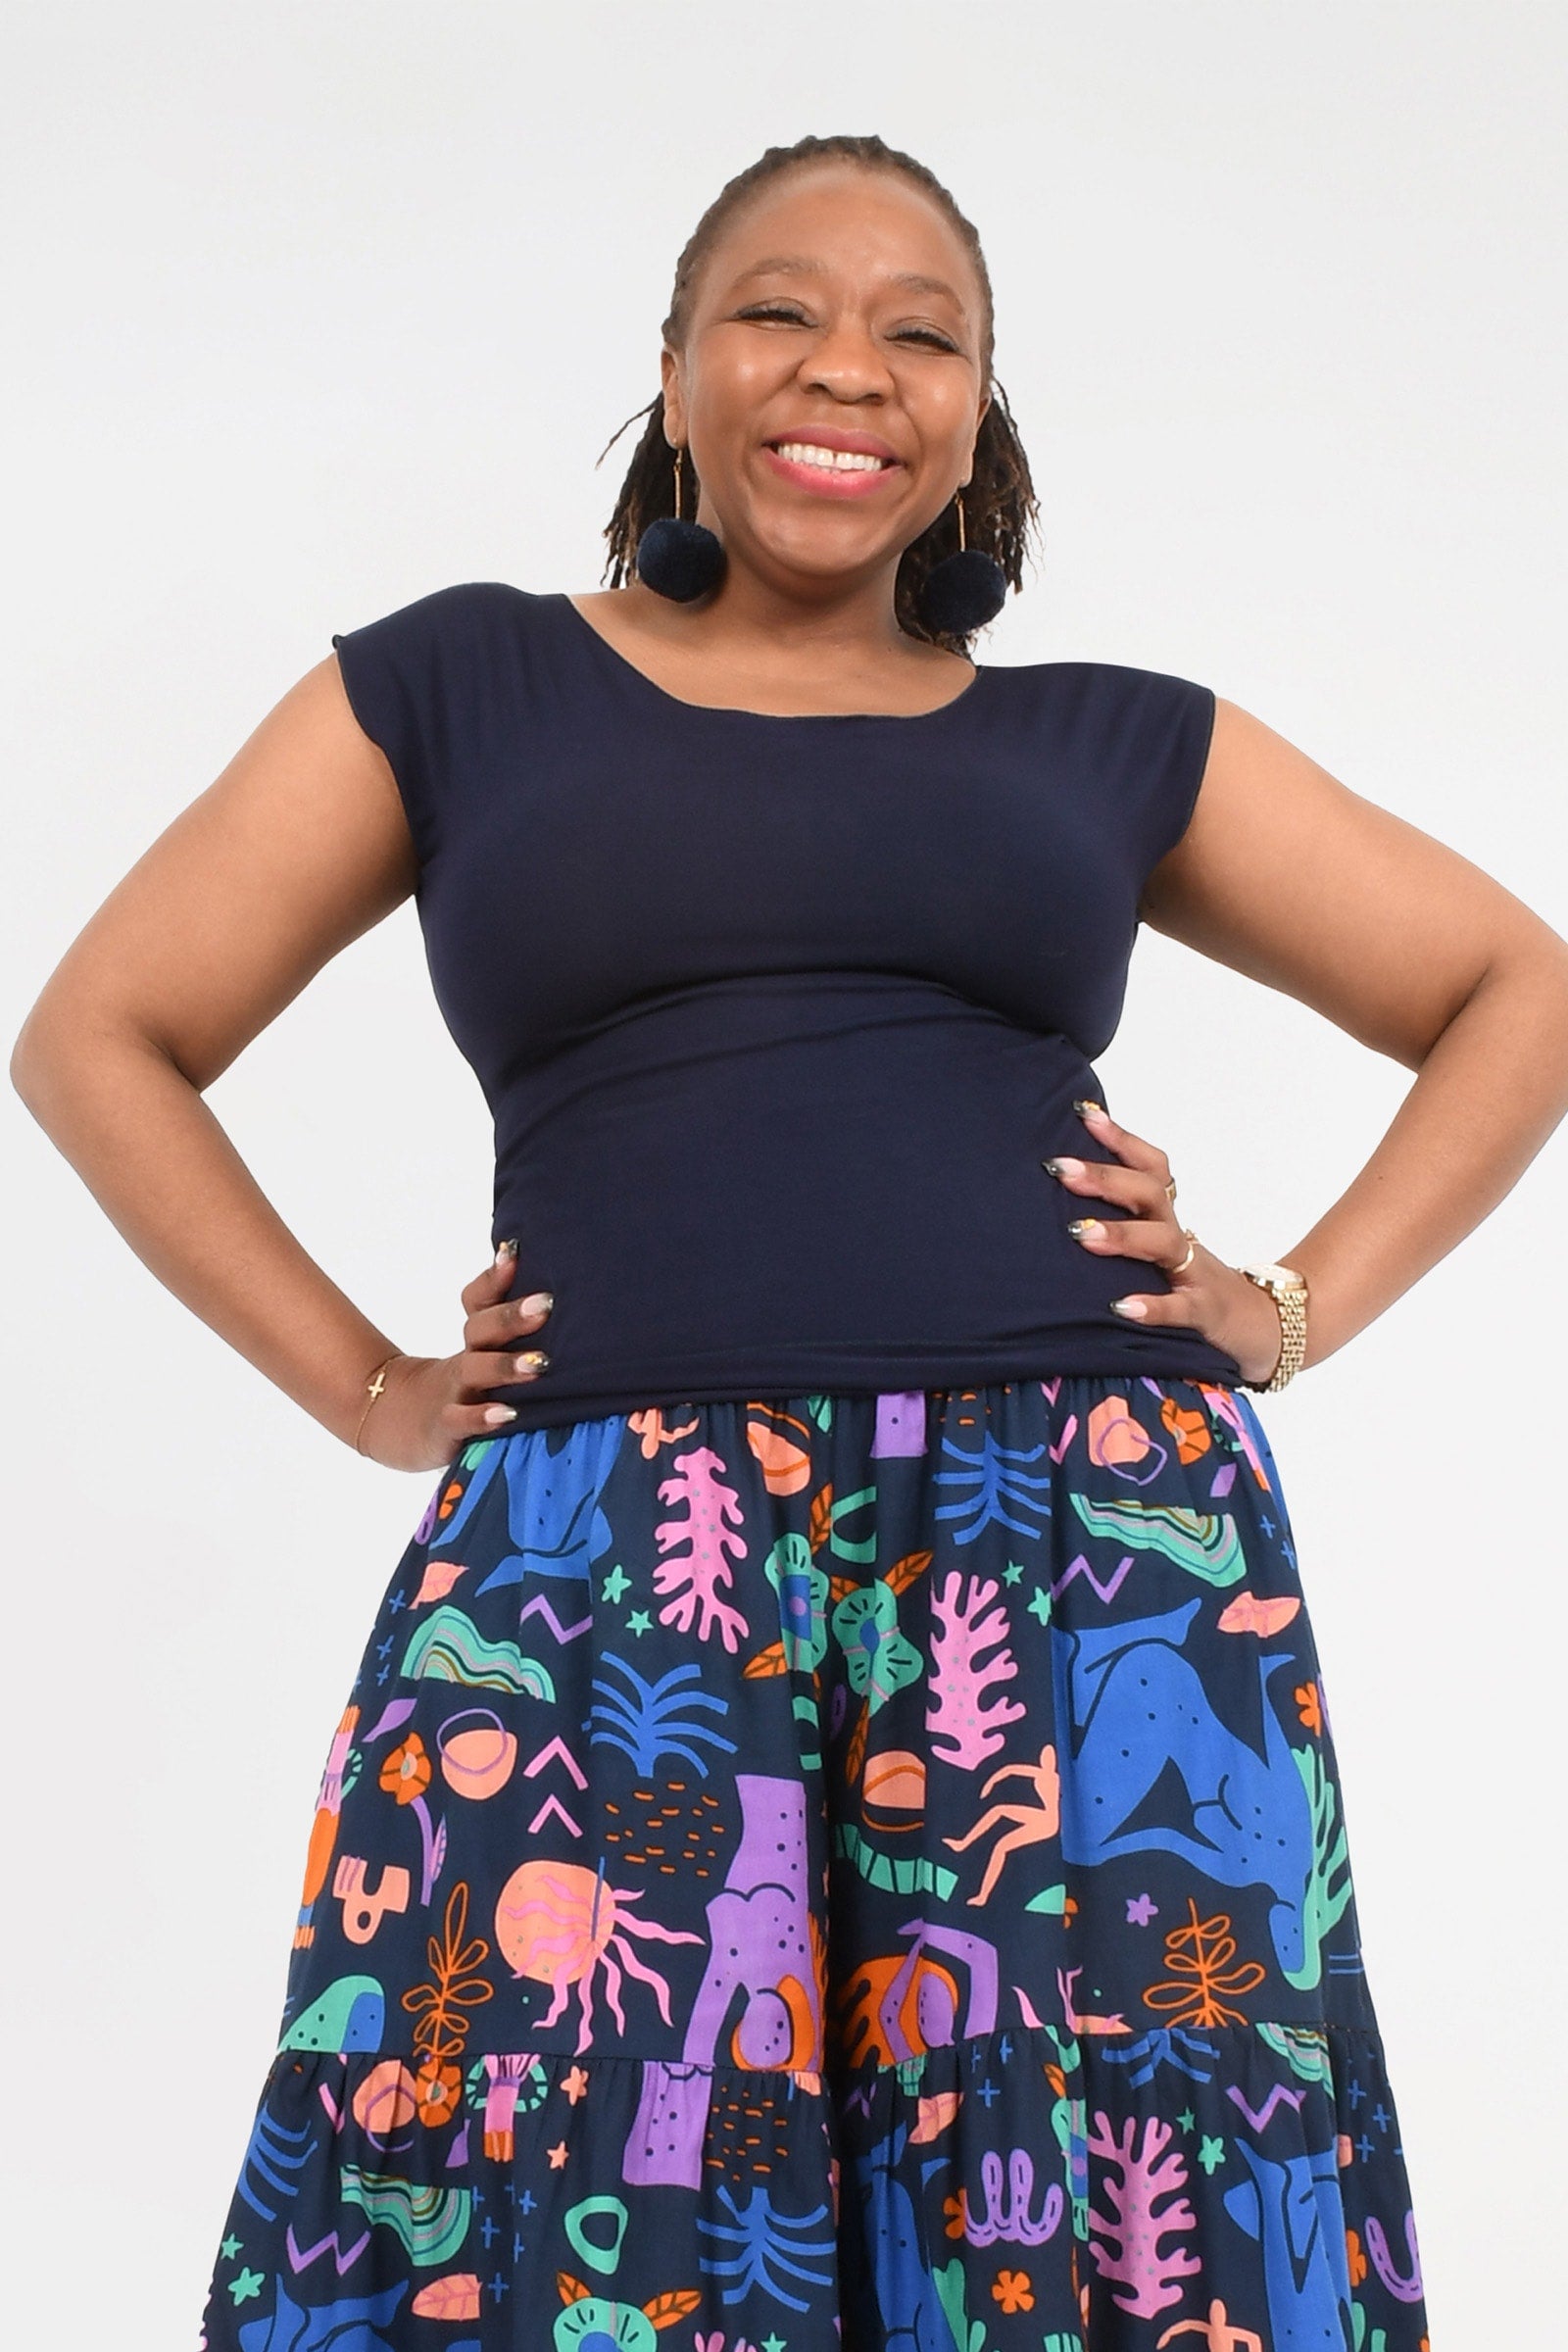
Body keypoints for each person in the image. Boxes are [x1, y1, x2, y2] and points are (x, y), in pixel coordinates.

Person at [12, 129, 1567, 2352]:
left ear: (974, 420)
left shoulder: (1108, 740)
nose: (847, 367)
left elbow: (1515, 988)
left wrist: (1283, 1305)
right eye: (777, 309)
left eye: (920, 334)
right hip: (611, 1542)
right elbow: (100, 1035)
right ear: (671, 374)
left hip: (1072, 1548)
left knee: (1096, 2179)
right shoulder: (456, 686)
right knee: (564, 2156)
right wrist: (364, 1386)